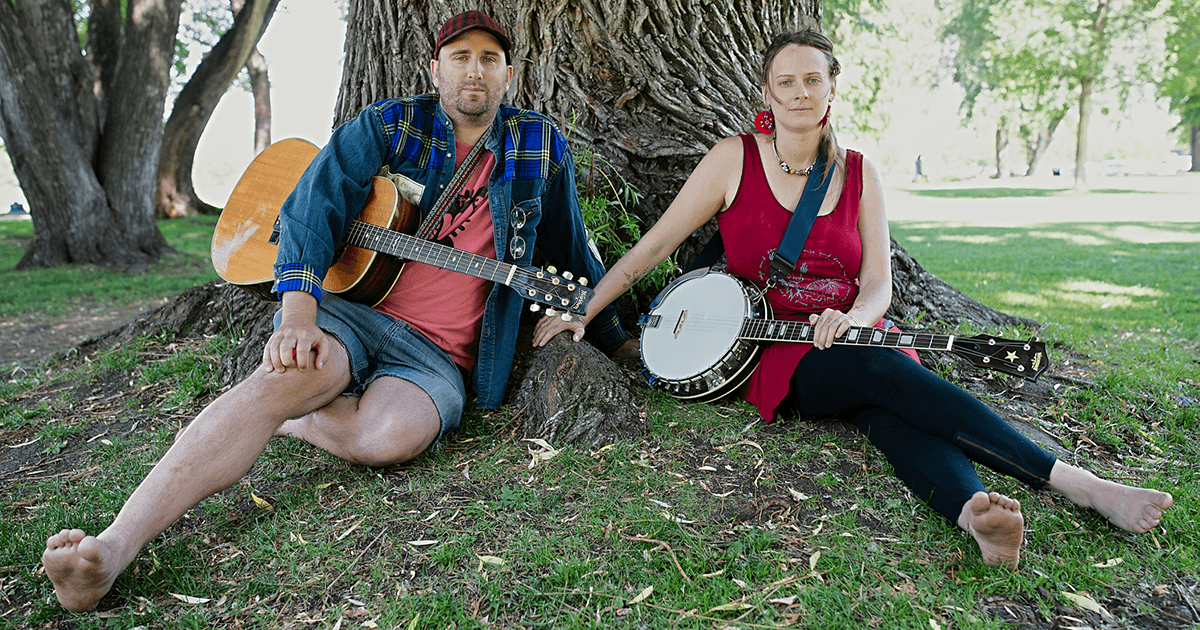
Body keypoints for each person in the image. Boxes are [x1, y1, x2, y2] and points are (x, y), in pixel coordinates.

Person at [42, 10, 632, 611]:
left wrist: (607, 330)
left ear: (509, 73)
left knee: (390, 438)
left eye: (488, 59)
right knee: (281, 382)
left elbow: (570, 247)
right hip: (353, 315)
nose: (474, 72)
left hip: (438, 358)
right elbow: (310, 206)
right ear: (435, 68)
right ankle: (108, 553)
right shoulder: (392, 124)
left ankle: (281, 416)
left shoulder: (537, 144)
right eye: (460, 58)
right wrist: (298, 313)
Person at [534, 30, 1173, 570]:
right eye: (786, 82)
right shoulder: (732, 161)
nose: (800, 92)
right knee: (880, 374)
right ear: (767, 93)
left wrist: (857, 318)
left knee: (886, 406)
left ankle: (973, 514)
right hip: (771, 348)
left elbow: (879, 284)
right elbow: (651, 248)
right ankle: (1078, 485)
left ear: (832, 91)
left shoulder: (861, 173)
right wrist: (582, 312)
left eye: (813, 80)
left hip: (853, 332)